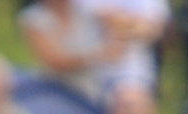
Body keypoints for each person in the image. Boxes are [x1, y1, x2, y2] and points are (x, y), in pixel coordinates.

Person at [19, 0, 151, 100]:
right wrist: (100, 55)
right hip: (54, 92)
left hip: (89, 90)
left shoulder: (85, 10)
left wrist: (128, 33)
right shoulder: (34, 18)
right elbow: (54, 61)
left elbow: (128, 25)